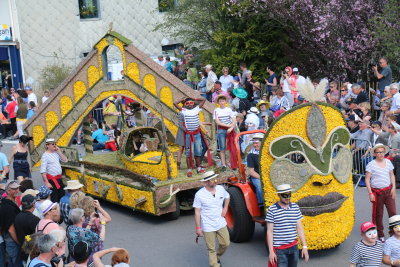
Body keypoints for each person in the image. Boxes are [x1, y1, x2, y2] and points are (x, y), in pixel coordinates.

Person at [266, 184, 309, 267]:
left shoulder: (295, 207)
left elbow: (299, 228)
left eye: (289, 195)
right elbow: (269, 232)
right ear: (279, 195)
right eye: (284, 195)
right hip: (280, 250)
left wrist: (304, 246)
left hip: (294, 248)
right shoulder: (272, 210)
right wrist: (271, 252)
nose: (287, 198)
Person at [193, 171, 230, 267]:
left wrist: (225, 208)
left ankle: (216, 257)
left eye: (215, 178)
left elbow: (227, 197)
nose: (215, 181)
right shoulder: (199, 195)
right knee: (211, 248)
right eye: (213, 179)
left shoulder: (221, 189)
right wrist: (198, 228)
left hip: (221, 222)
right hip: (208, 225)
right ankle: (214, 264)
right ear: (206, 182)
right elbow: (197, 212)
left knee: (225, 243)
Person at [365, 143, 396, 241]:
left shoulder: (388, 162)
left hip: (388, 191)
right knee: (378, 214)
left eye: (382, 152)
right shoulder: (371, 164)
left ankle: (393, 233)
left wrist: (394, 187)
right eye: (378, 152)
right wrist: (370, 193)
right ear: (374, 154)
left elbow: (391, 175)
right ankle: (380, 234)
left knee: (393, 213)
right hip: (377, 193)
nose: (380, 154)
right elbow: (367, 179)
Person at [174, 96, 209, 177]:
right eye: (187, 103)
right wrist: (182, 100)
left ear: (193, 104)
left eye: (191, 103)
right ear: (185, 104)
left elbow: (204, 100)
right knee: (189, 153)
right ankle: (189, 169)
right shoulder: (183, 110)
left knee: (198, 151)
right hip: (189, 135)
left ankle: (198, 168)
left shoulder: (196, 109)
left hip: (197, 134)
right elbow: (175, 103)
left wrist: (195, 99)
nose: (189, 104)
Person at [0, 180, 23, 266]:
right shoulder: (8, 207)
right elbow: (11, 229)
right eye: (14, 189)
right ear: (8, 191)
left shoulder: (8, 202)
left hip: (9, 240)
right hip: (12, 241)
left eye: (17, 188)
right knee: (15, 263)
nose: (17, 190)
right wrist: (19, 242)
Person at [213, 95, 237, 170]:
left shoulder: (229, 110)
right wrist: (227, 126)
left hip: (230, 128)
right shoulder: (216, 110)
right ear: (218, 102)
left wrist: (231, 127)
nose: (222, 102)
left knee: (231, 147)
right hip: (222, 129)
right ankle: (224, 164)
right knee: (222, 147)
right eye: (220, 101)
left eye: (223, 101)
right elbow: (217, 122)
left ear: (225, 102)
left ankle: (231, 162)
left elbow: (233, 119)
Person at [14, 194, 40, 259]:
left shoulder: (17, 217)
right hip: (33, 253)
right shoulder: (35, 220)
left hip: (22, 250)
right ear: (33, 205)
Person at [247, 133, 264, 207]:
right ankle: (262, 205)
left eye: (256, 143)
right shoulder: (251, 155)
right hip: (256, 176)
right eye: (254, 143)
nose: (255, 145)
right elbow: (251, 171)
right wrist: (262, 178)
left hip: (268, 174)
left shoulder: (267, 151)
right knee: (260, 186)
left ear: (262, 142)